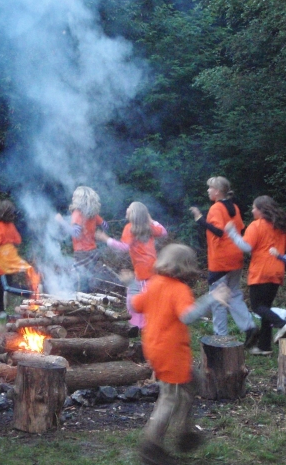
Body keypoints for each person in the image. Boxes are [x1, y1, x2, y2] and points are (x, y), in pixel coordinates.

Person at [132, 244, 229, 465]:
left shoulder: (154, 283)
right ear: (186, 267)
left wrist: (131, 284)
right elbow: (188, 316)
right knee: (170, 398)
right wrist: (211, 298)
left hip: (155, 348)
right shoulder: (179, 289)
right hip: (171, 352)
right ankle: (150, 447)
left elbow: (136, 305)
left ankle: (184, 432)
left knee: (194, 380)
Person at [190, 176, 258, 347]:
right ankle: (249, 327)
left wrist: (200, 219)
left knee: (217, 298)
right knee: (233, 294)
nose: (208, 190)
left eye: (210, 188)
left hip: (220, 260)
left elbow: (219, 232)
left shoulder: (216, 208)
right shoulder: (234, 207)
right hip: (236, 257)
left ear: (218, 191)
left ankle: (220, 337)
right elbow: (239, 228)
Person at [225, 195, 286, 355]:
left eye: (254, 208)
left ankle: (282, 324)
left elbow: (246, 247)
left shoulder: (256, 225)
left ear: (262, 210)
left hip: (261, 271)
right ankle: (264, 347)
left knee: (258, 307)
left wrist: (232, 233)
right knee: (265, 309)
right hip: (277, 271)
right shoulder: (280, 227)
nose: (252, 210)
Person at [95, 201, 167, 329]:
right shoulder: (147, 227)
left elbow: (123, 247)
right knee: (136, 296)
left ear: (133, 213)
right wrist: (151, 220)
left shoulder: (130, 228)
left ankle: (141, 326)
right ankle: (139, 324)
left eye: (129, 207)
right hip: (150, 269)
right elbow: (163, 232)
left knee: (140, 299)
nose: (126, 208)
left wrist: (106, 239)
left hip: (145, 272)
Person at [0, 199, 39, 318]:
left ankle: (31, 292)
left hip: (2, 261)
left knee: (6, 287)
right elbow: (18, 240)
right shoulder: (10, 225)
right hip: (11, 258)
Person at [55, 186, 109, 292]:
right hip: (93, 251)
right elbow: (105, 225)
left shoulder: (77, 214)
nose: (72, 198)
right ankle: (89, 296)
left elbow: (76, 233)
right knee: (88, 278)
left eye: (75, 196)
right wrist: (99, 234)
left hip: (82, 253)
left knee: (77, 279)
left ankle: (81, 297)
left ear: (80, 199)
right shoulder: (93, 214)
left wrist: (61, 221)